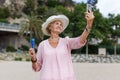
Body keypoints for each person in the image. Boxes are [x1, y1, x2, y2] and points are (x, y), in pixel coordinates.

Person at [29, 10, 94, 80]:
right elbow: (37, 68)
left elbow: (80, 40)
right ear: (50, 27)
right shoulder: (42, 45)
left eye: (61, 25)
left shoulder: (66, 42)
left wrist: (89, 25)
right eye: (57, 23)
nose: (60, 26)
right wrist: (33, 59)